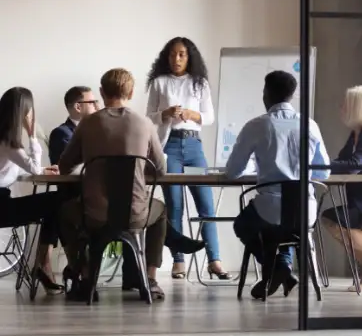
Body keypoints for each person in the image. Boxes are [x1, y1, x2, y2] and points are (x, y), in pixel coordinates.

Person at [58, 68, 203, 301]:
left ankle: (84, 276)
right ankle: (149, 278)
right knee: (160, 211)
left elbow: (65, 166)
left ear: (102, 92)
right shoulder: (145, 124)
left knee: (64, 212)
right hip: (135, 213)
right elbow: (161, 170)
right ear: (132, 92)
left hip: (94, 214)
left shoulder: (87, 124)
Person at [226, 71, 330, 299]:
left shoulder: (256, 126)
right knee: (286, 226)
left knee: (243, 225)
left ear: (266, 94)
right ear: (291, 96)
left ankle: (277, 267)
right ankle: (281, 266)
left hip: (270, 210)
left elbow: (232, 171)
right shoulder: (310, 125)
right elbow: (323, 171)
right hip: (305, 211)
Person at [146, 37, 230, 280]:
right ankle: (178, 261)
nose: (177, 59)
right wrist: (165, 113)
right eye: (172, 55)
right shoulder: (159, 83)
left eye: (182, 54)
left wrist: (192, 114)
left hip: (194, 147)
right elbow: (149, 116)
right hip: (169, 146)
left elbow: (210, 117)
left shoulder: (199, 83)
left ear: (189, 56)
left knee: (206, 204)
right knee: (174, 204)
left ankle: (214, 260)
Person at [0, 87, 64, 294]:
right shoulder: (10, 142)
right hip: (2, 208)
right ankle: (43, 264)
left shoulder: (5, 139)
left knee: (54, 204)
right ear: (24, 112)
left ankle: (42, 264)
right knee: (58, 201)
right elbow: (33, 168)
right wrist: (32, 135)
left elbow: (9, 171)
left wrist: (41, 169)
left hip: (3, 202)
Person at [322, 86, 362, 292]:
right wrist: (323, 163)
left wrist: (321, 165)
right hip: (356, 198)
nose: (341, 107)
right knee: (341, 222)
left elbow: (355, 164)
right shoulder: (354, 133)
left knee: (333, 218)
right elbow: (344, 160)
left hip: (359, 201)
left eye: (345, 103)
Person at [49, 86, 99, 166]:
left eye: (96, 102)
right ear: (78, 107)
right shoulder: (61, 133)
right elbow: (71, 166)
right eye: (92, 102)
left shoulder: (97, 131)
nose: (97, 107)